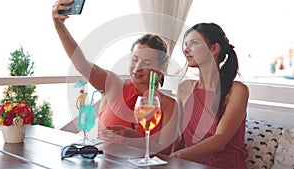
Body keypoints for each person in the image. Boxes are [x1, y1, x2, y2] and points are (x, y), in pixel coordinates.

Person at [52, 0, 178, 155]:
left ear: (160, 67)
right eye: (134, 59)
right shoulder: (113, 84)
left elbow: (164, 152)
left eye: (146, 62)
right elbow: (81, 65)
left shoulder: (168, 105)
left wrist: (132, 137)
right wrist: (59, 26)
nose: (137, 68)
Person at [171, 23, 249, 169]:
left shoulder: (237, 90)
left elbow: (219, 141)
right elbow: (180, 139)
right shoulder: (185, 88)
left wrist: (177, 156)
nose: (185, 50)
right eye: (185, 44)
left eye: (194, 43)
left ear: (213, 49)